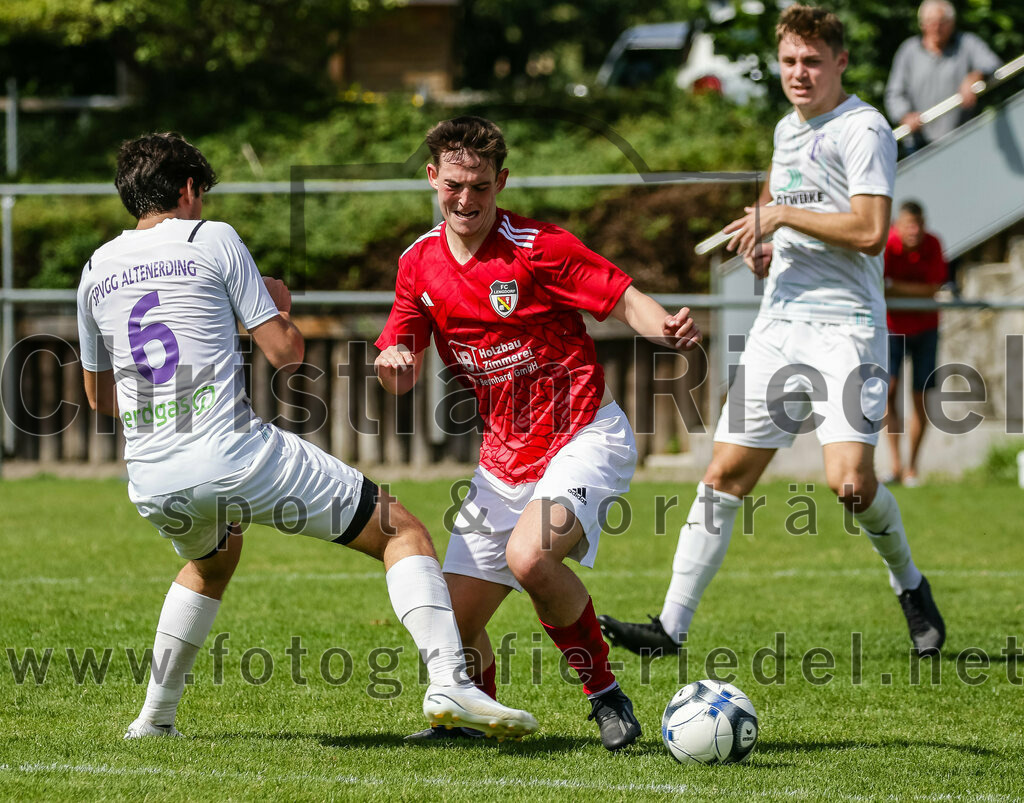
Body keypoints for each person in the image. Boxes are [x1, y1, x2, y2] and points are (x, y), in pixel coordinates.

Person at [77, 132, 539, 741]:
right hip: (235, 457)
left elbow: (99, 399)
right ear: (188, 190)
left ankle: (153, 720)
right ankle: (451, 680)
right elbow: (286, 353)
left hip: (153, 475)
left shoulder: (95, 269)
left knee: (211, 562)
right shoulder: (209, 236)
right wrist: (272, 305)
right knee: (403, 530)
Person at [599, 6, 946, 662]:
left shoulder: (864, 128)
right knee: (724, 471)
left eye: (812, 61)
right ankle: (670, 626)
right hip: (779, 324)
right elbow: (773, 206)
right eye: (789, 61)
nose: (799, 73)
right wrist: (761, 243)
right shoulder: (788, 128)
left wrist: (783, 214)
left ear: (840, 62)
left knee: (850, 485)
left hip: (845, 329)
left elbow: (871, 230)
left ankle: (909, 582)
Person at [374, 116, 702, 750]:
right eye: (452, 186)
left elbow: (623, 295)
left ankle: (604, 693)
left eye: (479, 187)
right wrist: (393, 364)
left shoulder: (536, 246)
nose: (465, 200)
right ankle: (477, 714)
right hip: (503, 462)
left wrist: (662, 327)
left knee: (530, 556)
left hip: (584, 434)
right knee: (450, 629)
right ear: (431, 179)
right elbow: (400, 372)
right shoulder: (418, 265)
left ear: (501, 182)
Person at [883, 201, 947, 487]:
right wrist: (916, 292)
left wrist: (894, 287)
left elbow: (934, 288)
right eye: (909, 225)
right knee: (888, 393)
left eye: (918, 225)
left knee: (920, 399)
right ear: (898, 225)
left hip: (926, 329)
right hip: (892, 328)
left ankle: (912, 469)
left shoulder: (933, 244)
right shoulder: (886, 244)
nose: (914, 231)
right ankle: (895, 466)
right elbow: (877, 284)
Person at [884, 0, 1000, 149]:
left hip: (962, 137)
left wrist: (975, 76)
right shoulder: (908, 51)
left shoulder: (967, 43)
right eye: (930, 22)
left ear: (952, 23)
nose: (936, 27)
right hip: (918, 143)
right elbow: (894, 93)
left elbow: (992, 64)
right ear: (922, 24)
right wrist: (905, 115)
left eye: (941, 22)